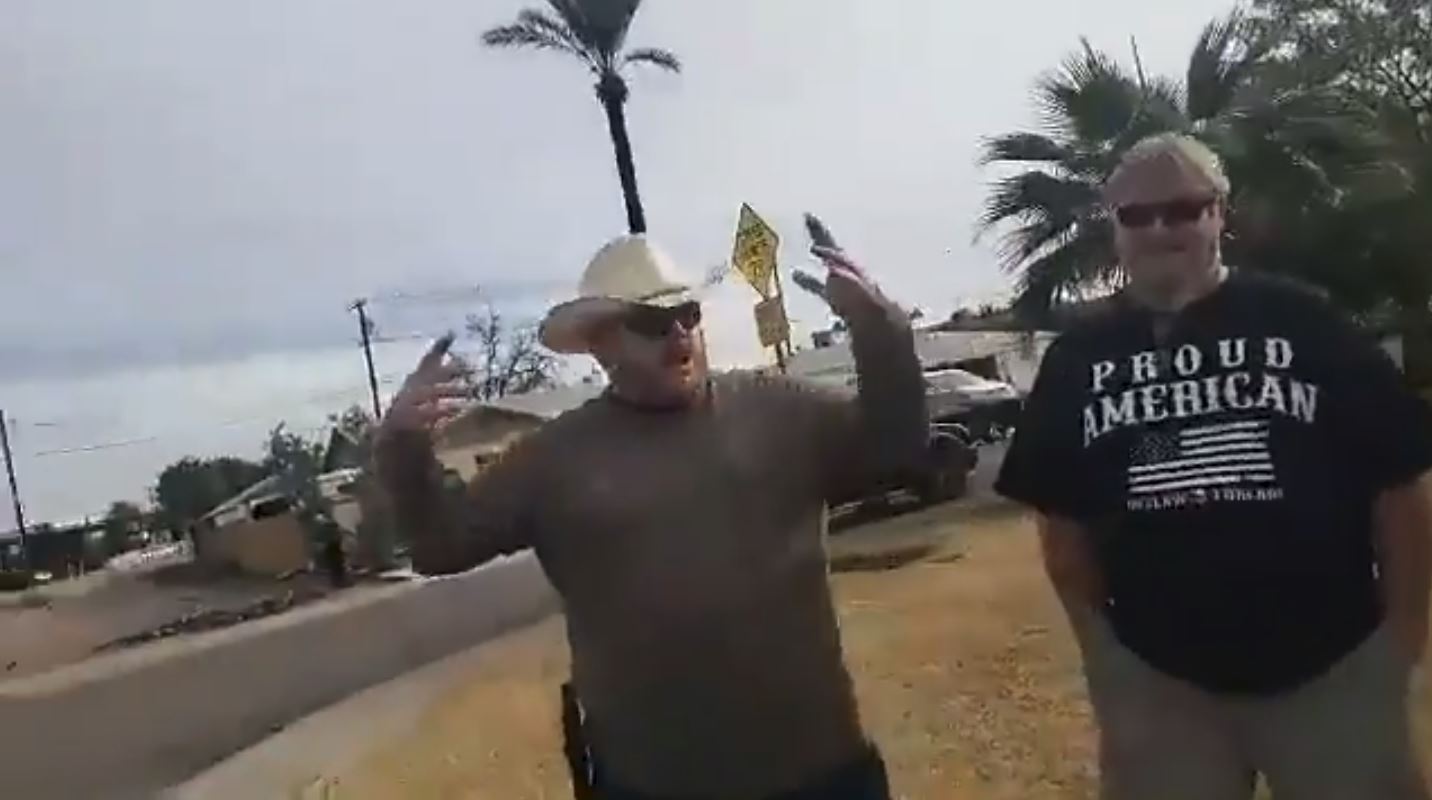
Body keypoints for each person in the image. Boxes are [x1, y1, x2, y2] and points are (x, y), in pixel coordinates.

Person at [375, 233, 926, 800]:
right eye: (652, 322)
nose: (679, 334)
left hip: (821, 773)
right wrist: (402, 449)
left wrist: (882, 332)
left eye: (687, 314)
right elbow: (438, 545)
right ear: (600, 345)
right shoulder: (552, 460)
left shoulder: (781, 409)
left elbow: (899, 452)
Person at [996, 132, 1432, 800]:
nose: (1160, 228)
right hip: (1160, 687)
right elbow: (1062, 526)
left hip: (1334, 672)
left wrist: (1401, 638)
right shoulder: (1077, 360)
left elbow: (1399, 484)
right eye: (1137, 215)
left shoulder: (1306, 322)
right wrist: (1105, 656)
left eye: (1183, 208)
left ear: (1219, 213)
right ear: (1114, 228)